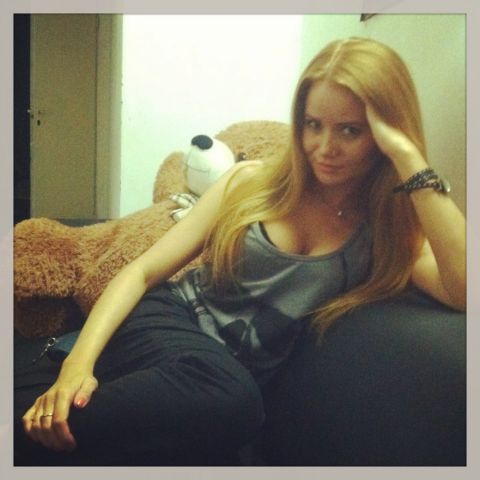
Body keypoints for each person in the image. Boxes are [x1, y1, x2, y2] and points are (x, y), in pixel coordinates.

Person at [14, 36, 466, 465]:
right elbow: (142, 272)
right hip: (168, 321)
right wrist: (78, 364)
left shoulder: (385, 235)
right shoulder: (250, 181)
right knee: (233, 401)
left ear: (384, 134)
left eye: (350, 130)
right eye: (313, 125)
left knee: (216, 421)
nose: (325, 148)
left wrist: (409, 156)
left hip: (209, 388)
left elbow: (465, 291)